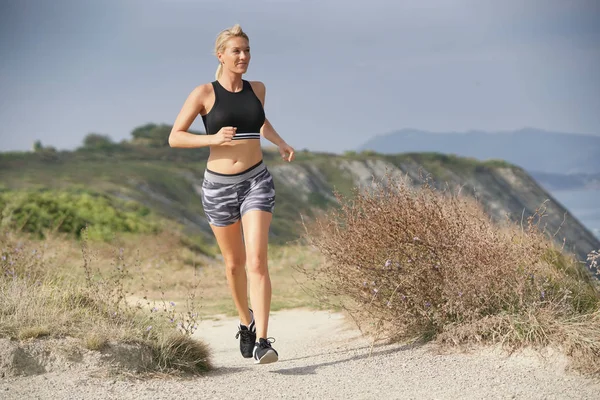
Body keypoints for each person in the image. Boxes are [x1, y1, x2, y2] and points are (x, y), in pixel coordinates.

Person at [168, 24, 295, 365]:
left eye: (247, 51)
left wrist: (279, 142)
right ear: (220, 55)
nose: (243, 57)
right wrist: (212, 139)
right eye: (236, 51)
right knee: (234, 265)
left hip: (257, 180)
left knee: (256, 261)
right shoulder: (204, 94)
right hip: (218, 188)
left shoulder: (258, 89)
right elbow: (175, 137)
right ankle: (246, 321)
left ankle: (264, 341)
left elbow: (259, 121)